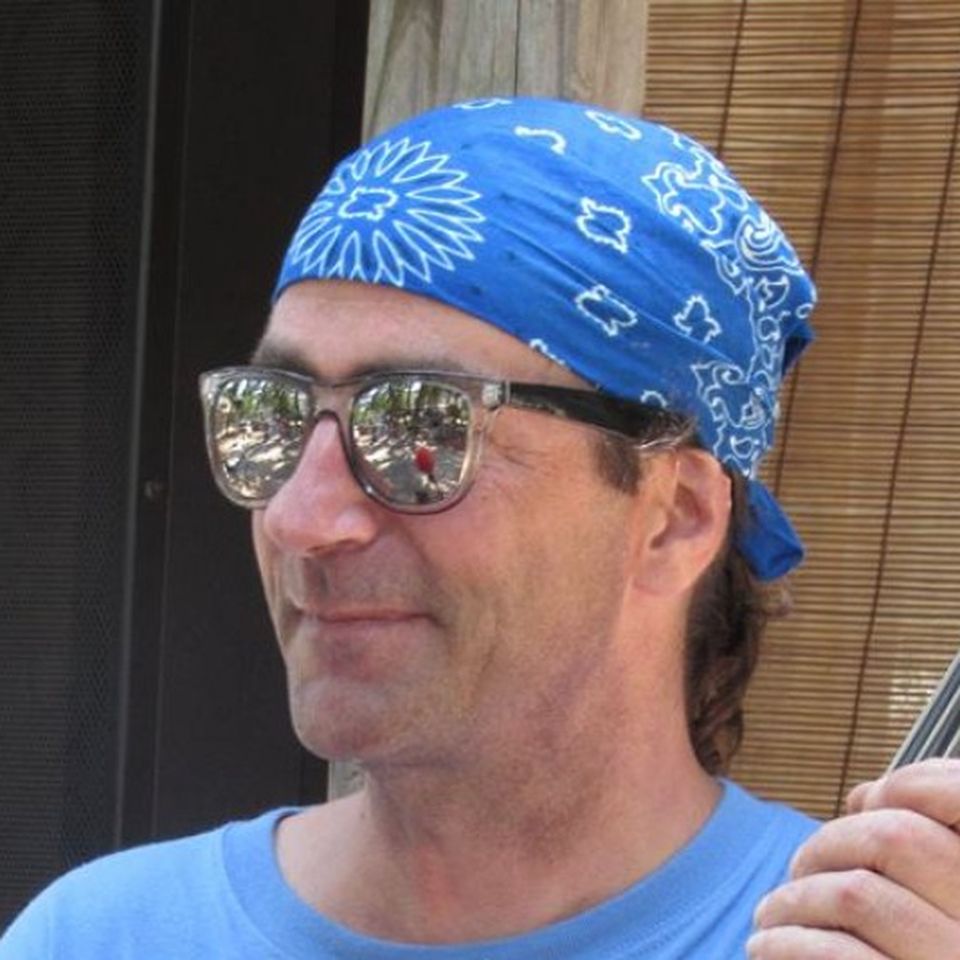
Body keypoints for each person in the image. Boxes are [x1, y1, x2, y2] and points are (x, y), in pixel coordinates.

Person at [3, 97, 959, 959]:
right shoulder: (98, 937)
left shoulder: (872, 936)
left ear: (675, 519)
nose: (298, 519)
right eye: (273, 417)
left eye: (422, 427)